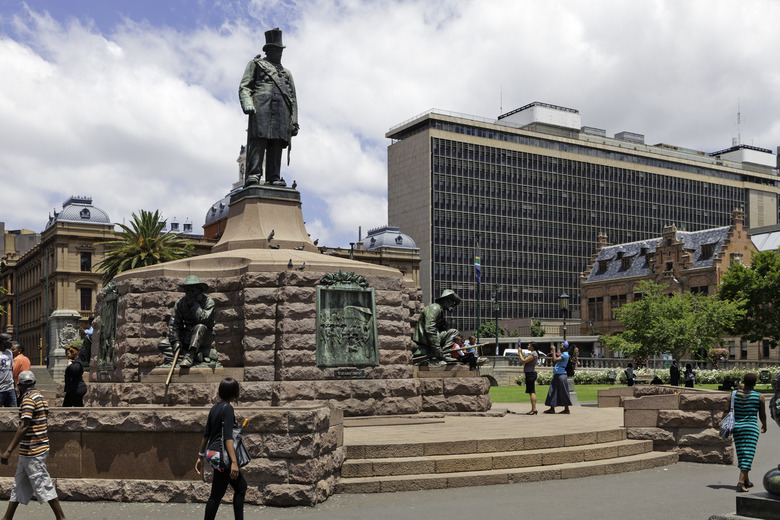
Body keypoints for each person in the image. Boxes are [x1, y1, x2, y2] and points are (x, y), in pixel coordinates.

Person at [0, 370, 66, 520]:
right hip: (33, 449)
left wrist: (9, 450)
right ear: (34, 383)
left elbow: (24, 426)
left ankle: (61, 518)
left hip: (33, 450)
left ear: (20, 385)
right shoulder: (41, 397)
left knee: (43, 483)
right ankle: (7, 518)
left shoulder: (28, 399)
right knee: (19, 485)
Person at [239, 27, 299, 187]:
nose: (279, 53)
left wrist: (294, 121)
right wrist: (247, 103)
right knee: (259, 140)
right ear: (268, 50)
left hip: (281, 112)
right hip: (261, 107)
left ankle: (274, 177)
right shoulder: (256, 64)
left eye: (280, 50)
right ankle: (253, 175)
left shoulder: (286, 73)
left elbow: (293, 99)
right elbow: (245, 87)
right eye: (275, 50)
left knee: (277, 143)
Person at [196, 378, 247, 520]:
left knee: (238, 487)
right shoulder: (228, 409)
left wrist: (200, 456)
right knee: (220, 493)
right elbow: (228, 438)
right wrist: (234, 462)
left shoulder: (214, 408)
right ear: (235, 393)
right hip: (222, 456)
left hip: (212, 454)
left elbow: (206, 434)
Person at [726, 373, 768, 492]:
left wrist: (722, 427)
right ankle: (740, 483)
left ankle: (746, 480)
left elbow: (726, 410)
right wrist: (764, 426)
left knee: (742, 454)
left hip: (737, 428)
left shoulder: (733, 394)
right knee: (748, 454)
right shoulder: (759, 396)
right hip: (751, 429)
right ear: (755, 383)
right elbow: (762, 415)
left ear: (743, 381)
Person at [164, 275, 217, 368]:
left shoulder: (208, 302)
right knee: (163, 344)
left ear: (199, 291)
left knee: (200, 326)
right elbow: (174, 324)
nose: (189, 293)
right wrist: (176, 341)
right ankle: (198, 354)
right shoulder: (180, 303)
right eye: (187, 290)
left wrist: (194, 304)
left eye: (193, 291)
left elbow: (203, 319)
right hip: (187, 337)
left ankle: (190, 355)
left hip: (204, 336)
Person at [411, 290, 461, 366]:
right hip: (425, 338)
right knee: (454, 332)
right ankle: (445, 354)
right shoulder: (435, 308)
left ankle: (444, 354)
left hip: (432, 336)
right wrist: (437, 348)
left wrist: (444, 324)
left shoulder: (440, 310)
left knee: (452, 331)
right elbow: (430, 328)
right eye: (451, 301)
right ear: (445, 300)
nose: (452, 304)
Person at [544, 341, 572, 414]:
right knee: (553, 390)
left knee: (563, 392)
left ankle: (566, 409)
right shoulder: (563, 354)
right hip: (558, 374)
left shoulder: (565, 355)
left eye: (562, 345)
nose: (560, 346)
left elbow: (555, 360)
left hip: (561, 375)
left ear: (565, 347)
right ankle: (552, 408)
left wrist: (553, 351)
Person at [519, 342, 539, 415]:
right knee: (531, 392)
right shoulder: (533, 353)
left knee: (531, 392)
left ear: (532, 346)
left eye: (529, 345)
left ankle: (534, 409)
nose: (528, 346)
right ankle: (533, 409)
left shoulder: (533, 354)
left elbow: (523, 361)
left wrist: (520, 352)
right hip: (530, 374)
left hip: (530, 374)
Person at [0, 334, 16, 407]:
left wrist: (15, 386)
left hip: (10, 388)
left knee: (13, 411)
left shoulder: (9, 353)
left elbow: (11, 369)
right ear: (4, 341)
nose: (12, 342)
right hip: (0, 389)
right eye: (10, 340)